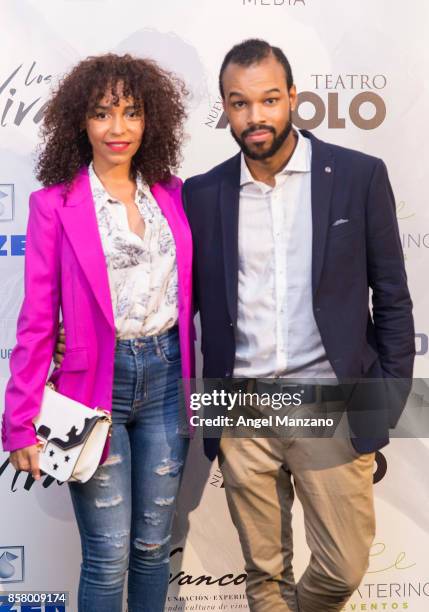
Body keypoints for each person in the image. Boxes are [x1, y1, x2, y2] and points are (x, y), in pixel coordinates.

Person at [182, 39, 415, 611]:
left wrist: (380, 400)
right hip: (241, 405)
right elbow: (172, 301)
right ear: (224, 108)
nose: (255, 117)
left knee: (343, 568)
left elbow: (392, 299)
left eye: (267, 100)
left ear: (292, 97)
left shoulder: (358, 176)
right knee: (264, 579)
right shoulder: (202, 192)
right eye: (239, 103)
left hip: (330, 401)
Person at [1, 53, 195, 612]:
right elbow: (37, 320)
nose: (118, 128)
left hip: (166, 379)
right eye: (102, 113)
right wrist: (19, 425)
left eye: (131, 113)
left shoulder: (171, 195)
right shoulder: (52, 206)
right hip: (94, 389)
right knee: (107, 555)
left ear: (148, 120)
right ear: (79, 122)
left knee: (153, 548)